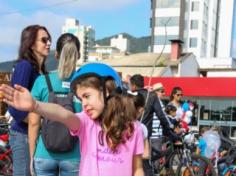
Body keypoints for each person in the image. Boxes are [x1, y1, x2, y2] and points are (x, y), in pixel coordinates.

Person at [0, 63, 145, 176]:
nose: (84, 104)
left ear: (107, 91)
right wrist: (36, 105)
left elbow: (137, 169)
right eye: (81, 99)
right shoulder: (86, 123)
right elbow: (63, 114)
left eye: (87, 96)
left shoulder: (135, 129)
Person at [28, 33, 81, 176]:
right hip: (75, 156)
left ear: (56, 55)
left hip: (44, 154)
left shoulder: (41, 81)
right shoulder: (84, 84)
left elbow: (34, 123)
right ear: (79, 55)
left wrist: (32, 156)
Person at [8, 25, 51, 176]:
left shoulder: (43, 72)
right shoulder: (25, 67)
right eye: (44, 40)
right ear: (31, 44)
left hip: (37, 135)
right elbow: (13, 107)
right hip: (22, 135)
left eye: (49, 39)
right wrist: (35, 121)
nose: (49, 43)